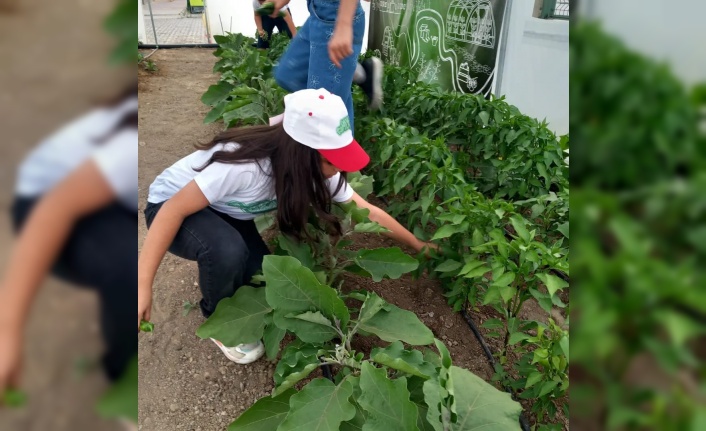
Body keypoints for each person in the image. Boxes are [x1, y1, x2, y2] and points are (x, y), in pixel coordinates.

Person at [137, 89, 435, 364]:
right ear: (302, 152)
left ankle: (227, 275)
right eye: (334, 160)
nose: (339, 168)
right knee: (226, 251)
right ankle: (219, 320)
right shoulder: (246, 167)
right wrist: (142, 284)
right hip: (169, 206)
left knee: (266, 275)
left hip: (224, 210)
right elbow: (172, 211)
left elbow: (365, 210)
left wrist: (417, 245)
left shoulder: (315, 167)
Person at [0, 86, 138, 430]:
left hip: (93, 189)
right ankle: (124, 376)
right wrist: (8, 330)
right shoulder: (128, 150)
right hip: (44, 200)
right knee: (126, 268)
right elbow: (51, 212)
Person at [272, 0, 384, 116]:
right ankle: (358, 73)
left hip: (335, 16)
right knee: (288, 75)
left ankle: (337, 110)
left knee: (326, 111)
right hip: (318, 13)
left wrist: (344, 23)